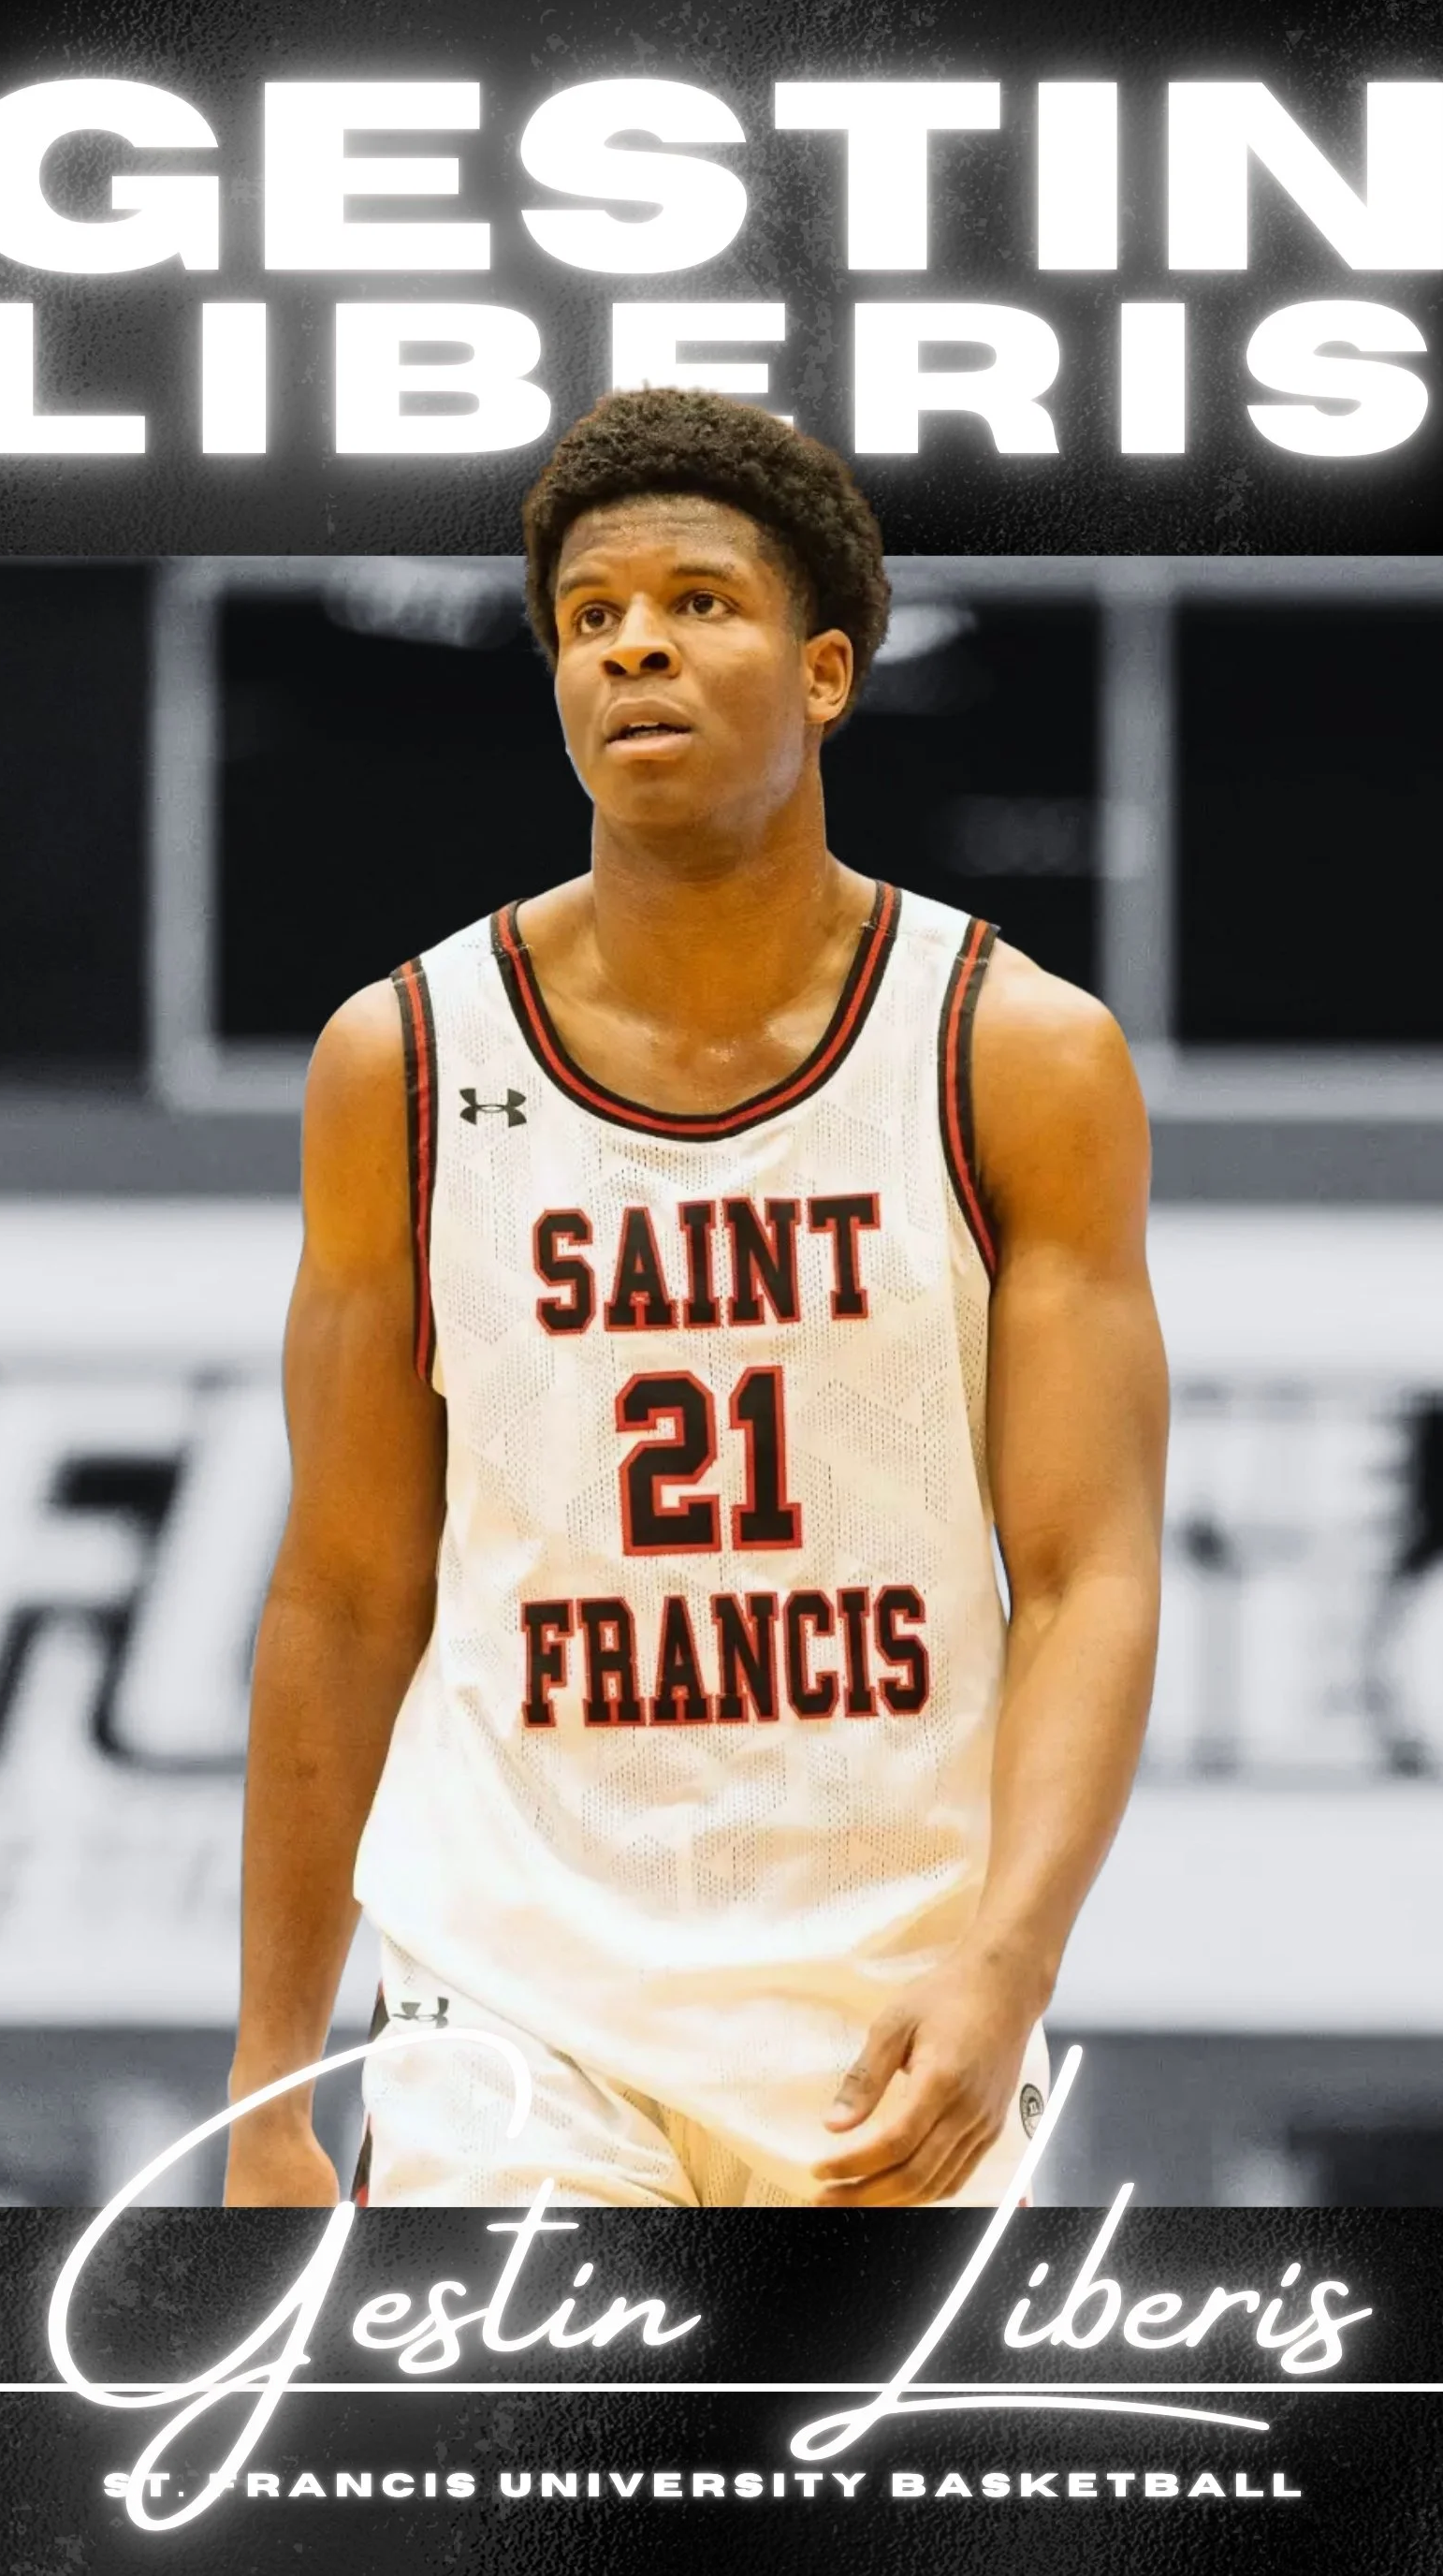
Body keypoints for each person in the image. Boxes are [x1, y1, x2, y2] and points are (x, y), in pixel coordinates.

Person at [223, 387, 1168, 2210]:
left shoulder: (1015, 1054)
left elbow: (1085, 1575)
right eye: (591, 616)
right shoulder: (402, 1062)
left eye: (697, 602)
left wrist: (1009, 1963)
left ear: (825, 674)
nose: (633, 644)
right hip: (513, 2007)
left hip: (890, 2000)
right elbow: (341, 1589)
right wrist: (269, 2086)